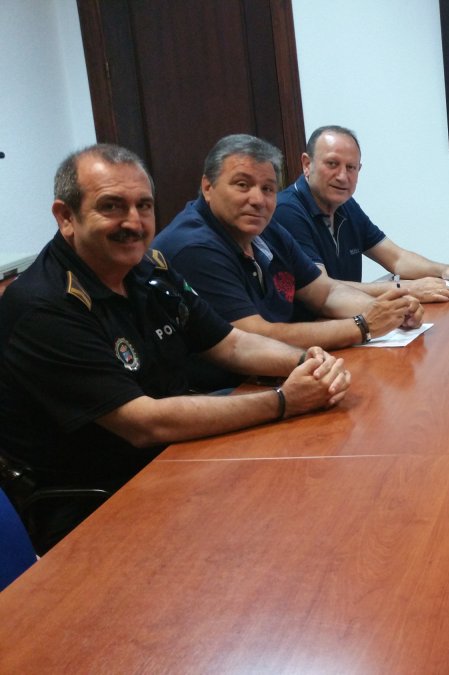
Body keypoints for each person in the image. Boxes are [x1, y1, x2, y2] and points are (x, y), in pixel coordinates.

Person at [0, 144, 351, 548]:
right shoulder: (44, 306)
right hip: (102, 502)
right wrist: (284, 400)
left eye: (144, 206)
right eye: (112, 206)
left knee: (314, 494)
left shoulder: (148, 270)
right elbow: (144, 423)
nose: (133, 222)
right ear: (66, 217)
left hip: (177, 459)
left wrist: (307, 363)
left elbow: (231, 344)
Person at [156, 134, 423, 388]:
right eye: (242, 185)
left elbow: (326, 292)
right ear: (208, 187)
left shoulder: (267, 228)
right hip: (218, 393)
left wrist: (390, 312)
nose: (258, 199)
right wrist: (363, 325)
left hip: (271, 377)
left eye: (268, 188)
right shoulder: (193, 246)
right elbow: (255, 337)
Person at [274, 125, 449, 305]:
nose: (343, 176)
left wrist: (444, 270)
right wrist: (405, 289)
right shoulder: (287, 210)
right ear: (307, 164)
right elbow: (324, 288)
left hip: (350, 321)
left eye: (351, 167)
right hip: (312, 336)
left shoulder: (346, 205)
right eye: (332, 164)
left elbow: (397, 258)